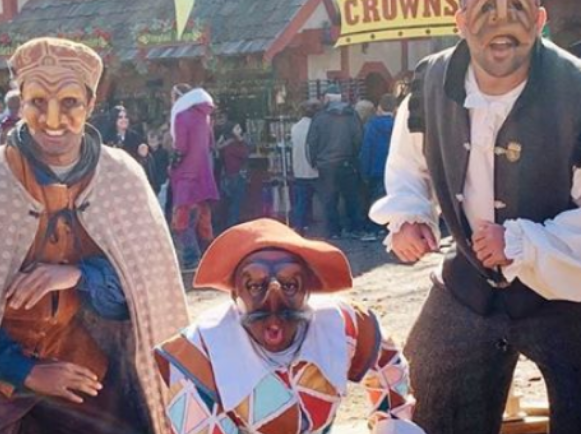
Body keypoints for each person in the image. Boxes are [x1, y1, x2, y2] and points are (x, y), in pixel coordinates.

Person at [369, 0, 581, 432]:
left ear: (542, 21)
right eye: (485, 8)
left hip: (573, 288)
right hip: (472, 284)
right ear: (459, 22)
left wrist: (526, 243)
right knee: (425, 394)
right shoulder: (430, 84)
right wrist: (410, 214)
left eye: (518, 7)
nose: (502, 22)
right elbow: (408, 163)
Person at [0, 38, 190, 434]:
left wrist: (77, 274)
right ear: (21, 104)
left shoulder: (121, 178)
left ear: (90, 106)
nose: (53, 120)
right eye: (38, 102)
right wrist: (25, 371)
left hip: (87, 362)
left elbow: (150, 290)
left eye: (69, 103)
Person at [154, 219, 423, 434]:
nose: (274, 300)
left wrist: (390, 424)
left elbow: (389, 369)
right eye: (255, 286)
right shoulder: (199, 352)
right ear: (236, 294)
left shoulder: (342, 323)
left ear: (309, 290)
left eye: (290, 285)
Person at [307, 86, 371, 240]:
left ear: (327, 99)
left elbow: (312, 142)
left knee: (329, 200)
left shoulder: (319, 117)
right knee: (351, 198)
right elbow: (359, 139)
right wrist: (354, 158)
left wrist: (314, 161)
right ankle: (355, 228)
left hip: (326, 165)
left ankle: (333, 231)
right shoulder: (352, 116)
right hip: (347, 162)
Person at [169, 84, 220, 267]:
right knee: (203, 218)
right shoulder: (204, 117)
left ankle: (192, 258)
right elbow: (211, 145)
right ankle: (209, 256)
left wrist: (173, 164)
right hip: (203, 174)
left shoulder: (182, 116)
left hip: (186, 174)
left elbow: (180, 147)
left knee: (182, 219)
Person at [289, 100, 320, 234]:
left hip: (299, 168)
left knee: (301, 200)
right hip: (315, 169)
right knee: (325, 199)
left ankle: (300, 225)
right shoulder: (316, 127)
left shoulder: (295, 127)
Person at [361, 94, 397, 204]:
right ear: (395, 109)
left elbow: (366, 150)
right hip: (394, 171)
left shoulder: (371, 126)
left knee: (376, 205)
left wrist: (364, 173)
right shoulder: (399, 126)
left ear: (379, 107)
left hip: (376, 171)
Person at [216, 121, 251, 230]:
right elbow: (245, 154)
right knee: (236, 204)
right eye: (237, 128)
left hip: (228, 176)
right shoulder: (233, 144)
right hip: (236, 176)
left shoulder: (224, 145)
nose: (240, 130)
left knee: (229, 204)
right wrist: (242, 140)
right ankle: (232, 227)